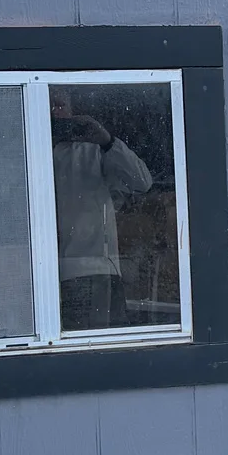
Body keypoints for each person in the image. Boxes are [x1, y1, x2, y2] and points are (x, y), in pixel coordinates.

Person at [49, 88, 153, 329]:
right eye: (47, 106)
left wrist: (107, 141)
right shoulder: (21, 152)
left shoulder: (90, 151)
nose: (54, 113)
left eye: (59, 105)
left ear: (73, 112)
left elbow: (142, 182)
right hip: (33, 274)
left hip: (90, 270)